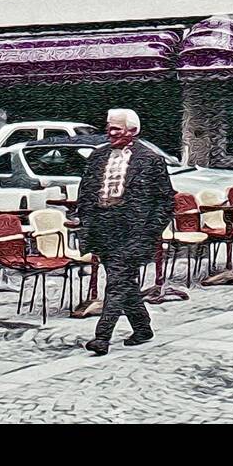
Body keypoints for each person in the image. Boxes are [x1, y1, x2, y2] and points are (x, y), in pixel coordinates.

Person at [77, 108, 174, 356]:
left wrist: (150, 232)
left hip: (133, 230)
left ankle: (102, 337)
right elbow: (86, 193)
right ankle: (142, 328)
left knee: (117, 283)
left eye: (116, 128)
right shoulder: (97, 157)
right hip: (103, 228)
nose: (110, 132)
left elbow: (165, 201)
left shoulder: (150, 160)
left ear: (133, 130)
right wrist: (86, 221)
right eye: (109, 127)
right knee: (124, 282)